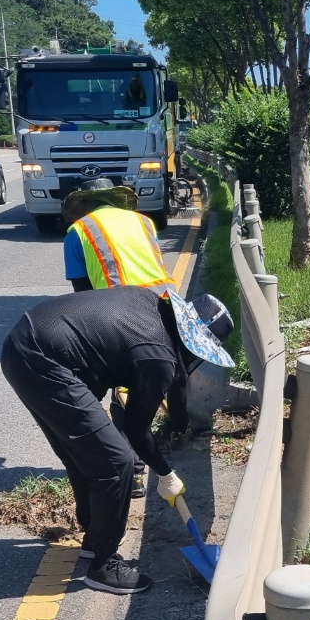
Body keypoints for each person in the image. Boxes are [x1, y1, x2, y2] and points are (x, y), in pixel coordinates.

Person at [0, 286, 233, 594]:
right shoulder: (157, 355)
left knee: (83, 452)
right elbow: (137, 429)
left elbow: (177, 385)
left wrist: (180, 423)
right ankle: (103, 565)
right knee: (116, 461)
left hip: (24, 344)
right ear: (193, 344)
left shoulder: (152, 307)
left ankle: (94, 536)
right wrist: (166, 473)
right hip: (43, 361)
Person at [61, 177, 178, 499]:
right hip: (166, 303)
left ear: (84, 204)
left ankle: (135, 472)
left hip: (121, 311)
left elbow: (82, 291)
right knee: (167, 371)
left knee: (124, 389)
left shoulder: (79, 230)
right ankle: (177, 424)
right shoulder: (144, 221)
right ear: (115, 199)